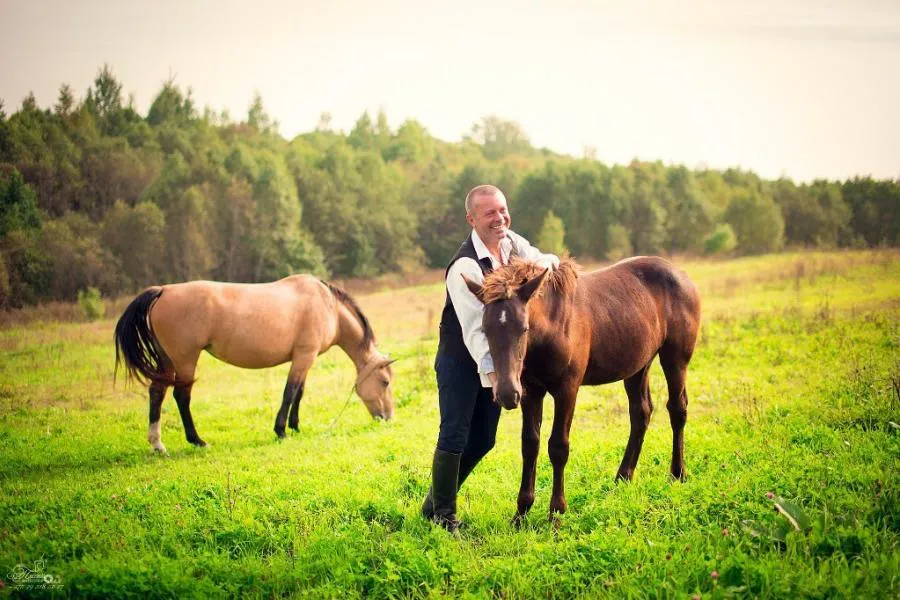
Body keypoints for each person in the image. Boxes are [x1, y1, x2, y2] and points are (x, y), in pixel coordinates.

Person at [422, 184, 560, 532]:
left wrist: (545, 263)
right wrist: (497, 378)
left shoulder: (512, 243)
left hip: (495, 360)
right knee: (455, 433)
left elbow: (542, 259)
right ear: (471, 219)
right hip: (461, 359)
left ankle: (433, 503)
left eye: (502, 210)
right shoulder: (465, 267)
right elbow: (473, 331)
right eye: (489, 213)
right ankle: (444, 517)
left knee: (484, 439)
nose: (499, 218)